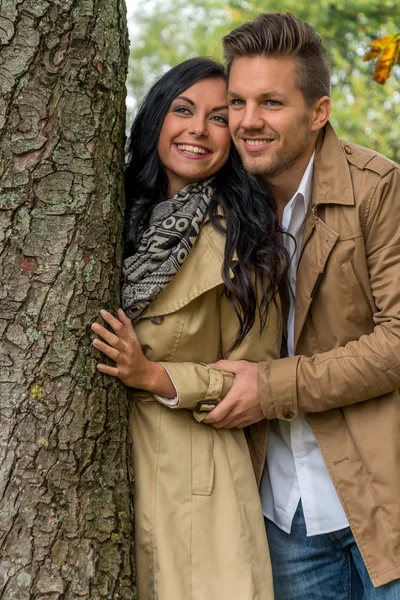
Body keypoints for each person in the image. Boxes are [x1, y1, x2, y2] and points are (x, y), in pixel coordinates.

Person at [203, 11, 400, 600]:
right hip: (281, 515)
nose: (248, 121)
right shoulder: (219, 207)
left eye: (271, 103)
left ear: (319, 112)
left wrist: (270, 388)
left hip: (384, 504)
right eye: (237, 103)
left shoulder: (378, 188)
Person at [91, 57, 287, 600]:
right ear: (157, 118)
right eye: (183, 110)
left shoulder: (251, 239)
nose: (197, 130)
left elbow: (257, 380)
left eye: (219, 117)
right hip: (106, 475)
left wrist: (152, 374)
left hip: (199, 482)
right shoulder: (110, 212)